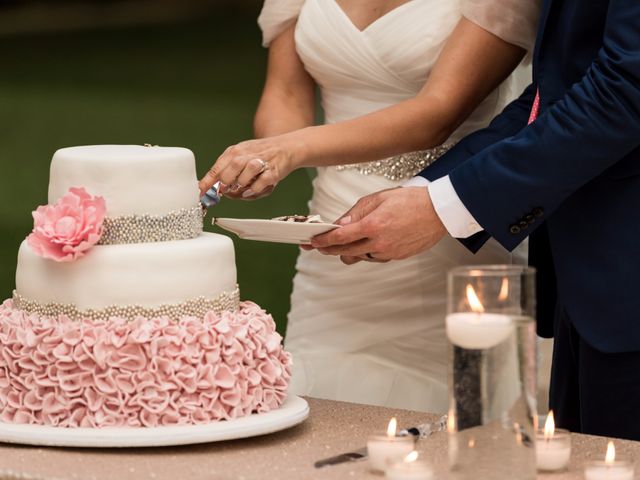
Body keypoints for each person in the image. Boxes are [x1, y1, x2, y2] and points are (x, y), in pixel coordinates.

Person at [311, 0, 640, 440]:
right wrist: (423, 192)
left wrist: (441, 208)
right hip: (591, 284)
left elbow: (622, 91)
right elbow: (551, 93)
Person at [200, 0, 540, 412]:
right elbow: (287, 92)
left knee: (460, 428)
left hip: (443, 225)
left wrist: (289, 149)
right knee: (319, 412)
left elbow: (438, 113)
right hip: (330, 243)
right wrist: (263, 161)